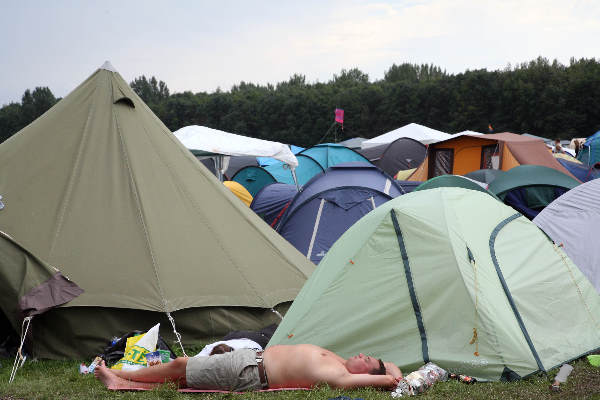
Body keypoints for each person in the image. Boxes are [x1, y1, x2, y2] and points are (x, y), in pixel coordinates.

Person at [94, 343, 403, 391]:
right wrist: (389, 368)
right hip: (249, 360)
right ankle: (124, 381)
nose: (363, 354)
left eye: (367, 360)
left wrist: (390, 378)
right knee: (182, 375)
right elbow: (390, 367)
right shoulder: (338, 359)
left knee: (180, 365)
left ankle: (122, 377)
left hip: (249, 372)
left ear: (366, 373)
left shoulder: (339, 374)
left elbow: (387, 379)